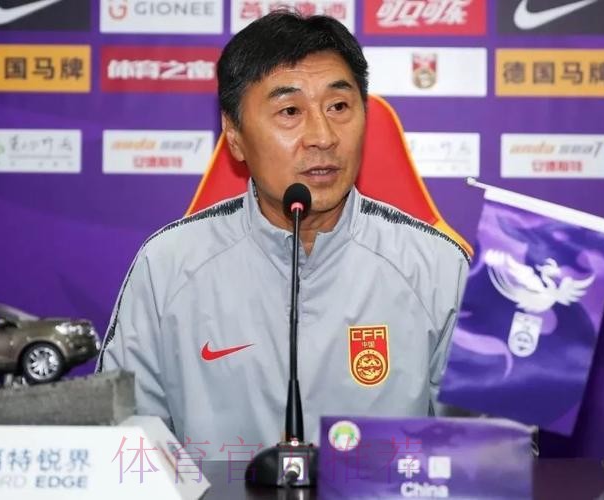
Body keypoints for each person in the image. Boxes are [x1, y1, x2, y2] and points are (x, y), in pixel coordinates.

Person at [97, 11, 469, 459]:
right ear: (234, 135)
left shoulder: (437, 267)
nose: (323, 137)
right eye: (290, 111)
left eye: (339, 107)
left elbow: (482, 455)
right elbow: (123, 443)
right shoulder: (168, 266)